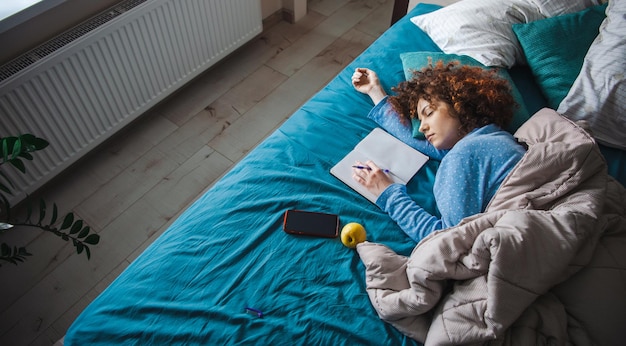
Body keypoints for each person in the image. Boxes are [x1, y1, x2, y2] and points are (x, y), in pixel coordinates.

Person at [351, 61, 526, 243]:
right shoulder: (496, 138)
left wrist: (387, 194)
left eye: (429, 113)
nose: (423, 127)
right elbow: (420, 142)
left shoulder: (462, 156)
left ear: (459, 104)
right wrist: (375, 91)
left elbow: (450, 240)